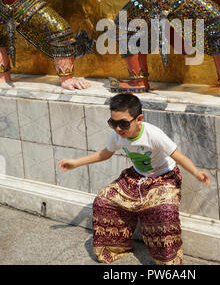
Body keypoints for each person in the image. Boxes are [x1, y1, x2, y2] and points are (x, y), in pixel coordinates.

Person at [58, 93, 210, 265]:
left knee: (163, 210)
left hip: (164, 177)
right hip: (136, 177)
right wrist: (75, 163)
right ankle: (115, 248)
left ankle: (168, 262)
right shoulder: (118, 136)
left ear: (139, 119)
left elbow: (178, 156)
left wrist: (197, 173)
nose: (117, 128)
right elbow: (104, 154)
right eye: (112, 123)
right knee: (103, 200)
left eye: (123, 123)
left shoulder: (153, 134)